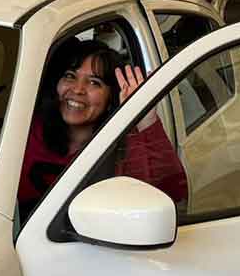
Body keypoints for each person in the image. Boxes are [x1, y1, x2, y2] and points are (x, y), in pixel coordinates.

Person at [18, 39, 187, 218]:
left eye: (94, 82)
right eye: (70, 76)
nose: (78, 89)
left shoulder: (123, 152)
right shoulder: (24, 131)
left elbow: (170, 197)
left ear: (110, 98)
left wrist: (145, 119)